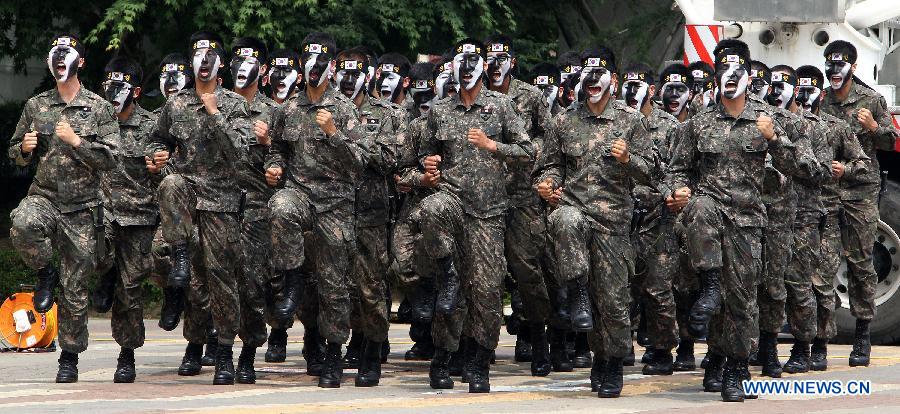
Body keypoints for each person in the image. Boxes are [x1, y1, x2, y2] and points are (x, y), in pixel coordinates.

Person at [665, 39, 804, 402]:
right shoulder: (698, 124)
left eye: (736, 70)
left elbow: (800, 167)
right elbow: (677, 169)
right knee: (701, 210)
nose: (730, 76)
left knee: (741, 300)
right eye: (722, 70)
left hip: (747, 221)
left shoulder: (766, 119)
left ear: (747, 74)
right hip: (709, 217)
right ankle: (710, 299)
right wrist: (678, 190)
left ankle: (737, 369)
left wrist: (775, 139)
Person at [535, 48, 656, 398]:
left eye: (598, 76)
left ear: (613, 82)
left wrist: (628, 158)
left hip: (614, 224)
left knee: (613, 302)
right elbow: (549, 165)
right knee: (564, 219)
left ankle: (609, 362)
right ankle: (576, 290)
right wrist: (547, 183)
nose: (591, 83)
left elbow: (651, 172)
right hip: (576, 212)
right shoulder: (563, 121)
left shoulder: (631, 121)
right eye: (585, 78)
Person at [419, 38, 532, 393]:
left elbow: (528, 151)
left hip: (488, 214)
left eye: (473, 62)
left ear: (484, 67)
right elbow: (425, 155)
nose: (466, 69)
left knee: (485, 291)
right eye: (460, 62)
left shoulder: (501, 106)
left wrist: (492, 145)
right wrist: (430, 165)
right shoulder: (440, 110)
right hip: (453, 202)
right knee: (431, 210)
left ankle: (479, 361)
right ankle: (441, 358)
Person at [9, 33, 119, 383]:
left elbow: (112, 159)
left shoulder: (100, 108)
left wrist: (78, 141)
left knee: (76, 290)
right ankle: (45, 273)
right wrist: (23, 149)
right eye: (54, 52)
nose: (59, 57)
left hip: (83, 208)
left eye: (68, 53)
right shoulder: (36, 105)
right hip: (45, 197)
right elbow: (14, 153)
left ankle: (69, 357)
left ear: (81, 63)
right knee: (23, 222)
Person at [147, 30, 252, 385]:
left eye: (210, 58)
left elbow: (240, 151)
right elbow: (157, 138)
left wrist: (214, 112)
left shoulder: (235, 104)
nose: (203, 64)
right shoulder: (175, 104)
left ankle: (224, 352)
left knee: (221, 279)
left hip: (221, 202)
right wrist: (157, 155)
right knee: (171, 183)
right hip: (188, 195)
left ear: (221, 64)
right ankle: (179, 255)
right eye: (197, 57)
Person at [265, 32, 367, 388]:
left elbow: (360, 165)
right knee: (279, 207)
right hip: (300, 195)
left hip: (336, 205)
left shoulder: (346, 110)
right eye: (308, 62)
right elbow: (276, 148)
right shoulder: (288, 108)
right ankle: (291, 276)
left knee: (334, 284)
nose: (313, 69)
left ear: (332, 68)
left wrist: (335, 132)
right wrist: (274, 165)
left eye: (320, 63)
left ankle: (334, 354)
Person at [820, 40, 900, 367]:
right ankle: (818, 341)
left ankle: (862, 334)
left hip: (861, 192)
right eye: (830, 64)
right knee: (822, 263)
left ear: (852, 67)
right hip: (826, 191)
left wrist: (873, 126)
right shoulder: (820, 101)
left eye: (840, 65)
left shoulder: (871, 100)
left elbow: (890, 141)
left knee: (860, 262)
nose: (834, 70)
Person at [484, 33, 555, 376]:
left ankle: (539, 337)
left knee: (527, 269)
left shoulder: (530, 95)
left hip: (523, 195)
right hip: (482, 198)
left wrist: (532, 153)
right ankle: (481, 345)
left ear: (512, 61)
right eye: (490, 59)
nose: (495, 66)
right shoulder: (471, 96)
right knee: (485, 274)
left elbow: (549, 135)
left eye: (502, 59)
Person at [334, 47, 405, 386]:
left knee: (371, 288)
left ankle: (373, 350)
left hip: (371, 214)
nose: (348, 82)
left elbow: (390, 159)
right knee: (335, 287)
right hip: (332, 211)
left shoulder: (387, 114)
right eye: (343, 74)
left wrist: (345, 134)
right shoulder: (324, 109)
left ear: (370, 76)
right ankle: (331, 347)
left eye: (356, 74)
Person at [795, 64, 870, 371]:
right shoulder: (783, 125)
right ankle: (799, 345)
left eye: (811, 90)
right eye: (800, 90)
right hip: (792, 216)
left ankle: (821, 345)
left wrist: (845, 170)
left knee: (822, 282)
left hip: (825, 215)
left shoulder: (835, 127)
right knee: (794, 283)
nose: (804, 96)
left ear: (820, 93)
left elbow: (863, 164)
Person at [95, 56, 160, 383]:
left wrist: (158, 169)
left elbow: (169, 172)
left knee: (130, 290)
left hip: (139, 217)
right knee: (91, 245)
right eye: (108, 83)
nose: (111, 89)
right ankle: (104, 272)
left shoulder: (151, 126)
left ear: (135, 91)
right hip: (102, 211)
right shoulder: (91, 120)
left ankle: (127, 353)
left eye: (119, 84)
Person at [620, 63, 680, 376]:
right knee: (621, 286)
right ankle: (621, 345)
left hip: (659, 217)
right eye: (626, 84)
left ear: (652, 90)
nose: (631, 92)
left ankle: (661, 348)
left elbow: (679, 169)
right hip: (621, 216)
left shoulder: (670, 127)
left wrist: (675, 194)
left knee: (657, 288)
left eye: (637, 85)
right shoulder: (616, 121)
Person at [228, 36, 279, 384]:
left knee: (250, 284)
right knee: (217, 282)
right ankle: (218, 350)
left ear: (262, 70)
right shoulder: (215, 106)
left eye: (250, 63)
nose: (241, 69)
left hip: (257, 210)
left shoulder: (275, 112)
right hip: (218, 206)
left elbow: (285, 162)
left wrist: (268, 145)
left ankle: (247, 352)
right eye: (236, 62)